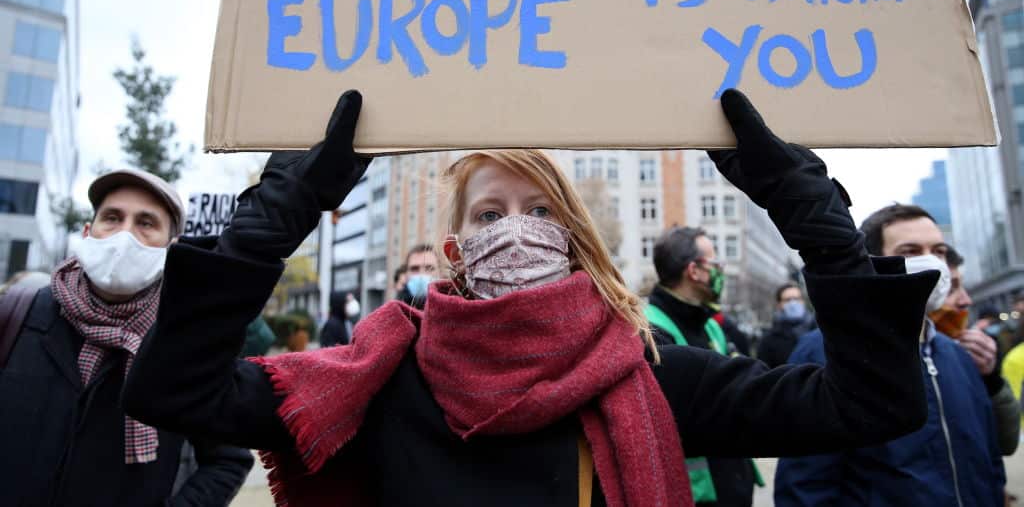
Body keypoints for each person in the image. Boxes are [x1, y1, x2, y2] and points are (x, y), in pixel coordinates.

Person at [125, 90, 937, 506]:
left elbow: (871, 401)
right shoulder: (381, 376)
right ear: (456, 249)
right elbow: (174, 388)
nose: (516, 229)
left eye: (541, 210)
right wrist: (280, 211)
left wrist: (810, 210)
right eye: (489, 213)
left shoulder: (648, 372)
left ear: (574, 238)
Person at [0, 167, 253, 506]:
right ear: (89, 232)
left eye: (146, 223)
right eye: (113, 218)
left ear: (171, 247)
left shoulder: (190, 343)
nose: (125, 235)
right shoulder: (20, 313)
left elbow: (228, 459)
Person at [776, 203, 1016, 507]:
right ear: (873, 264)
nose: (932, 261)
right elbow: (805, 483)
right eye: (911, 251)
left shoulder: (957, 355)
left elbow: (990, 461)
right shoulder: (826, 351)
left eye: (939, 251)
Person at [648, 226, 763, 506]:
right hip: (696, 495)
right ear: (695, 271)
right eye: (715, 263)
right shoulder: (650, 331)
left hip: (732, 484)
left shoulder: (711, 325)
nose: (720, 271)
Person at [757, 283, 816, 368]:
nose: (793, 303)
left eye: (796, 298)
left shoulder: (820, 332)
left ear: (803, 301)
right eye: (787, 300)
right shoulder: (768, 340)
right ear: (779, 304)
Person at [396, 243, 441, 308]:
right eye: (414, 269)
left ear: (440, 272)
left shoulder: (453, 309)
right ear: (406, 274)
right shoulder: (394, 310)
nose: (421, 275)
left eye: (429, 268)